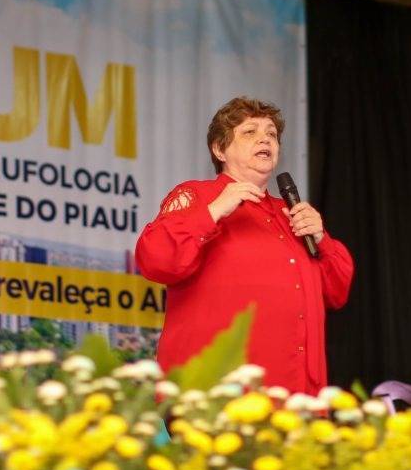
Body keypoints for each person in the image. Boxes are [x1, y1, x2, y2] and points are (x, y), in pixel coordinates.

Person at [135, 96, 354, 394]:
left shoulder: (292, 214)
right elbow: (156, 260)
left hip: (294, 393)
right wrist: (213, 211)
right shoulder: (197, 196)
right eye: (250, 132)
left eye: (271, 134)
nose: (265, 139)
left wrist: (321, 238)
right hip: (217, 393)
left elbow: (337, 291)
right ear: (219, 149)